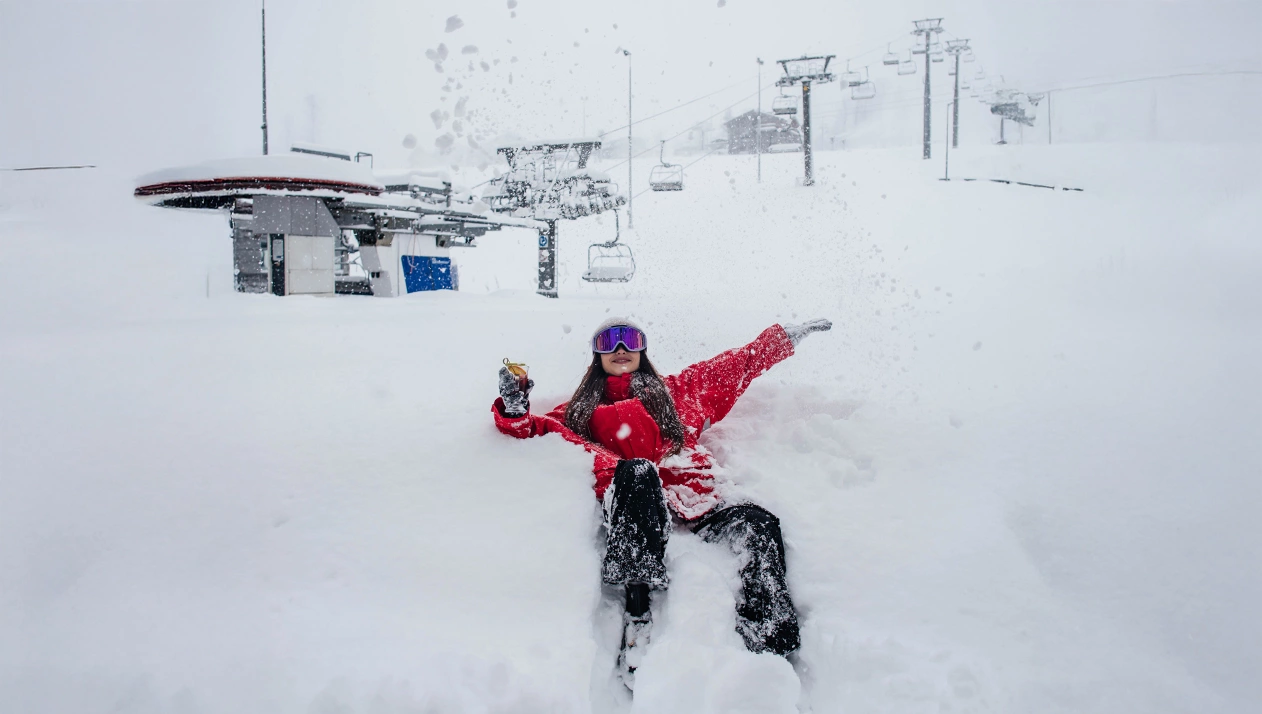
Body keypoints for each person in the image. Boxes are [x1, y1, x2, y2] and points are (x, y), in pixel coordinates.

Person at [491, 318, 832, 681]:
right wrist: (514, 409)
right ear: (597, 355)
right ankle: (638, 613)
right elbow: (535, 429)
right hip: (638, 505)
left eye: (630, 339)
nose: (620, 348)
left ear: (642, 350)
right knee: (638, 473)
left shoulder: (679, 392)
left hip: (698, 499)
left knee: (759, 524)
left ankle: (772, 637)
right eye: (609, 341)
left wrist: (781, 339)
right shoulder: (579, 413)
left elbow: (738, 365)